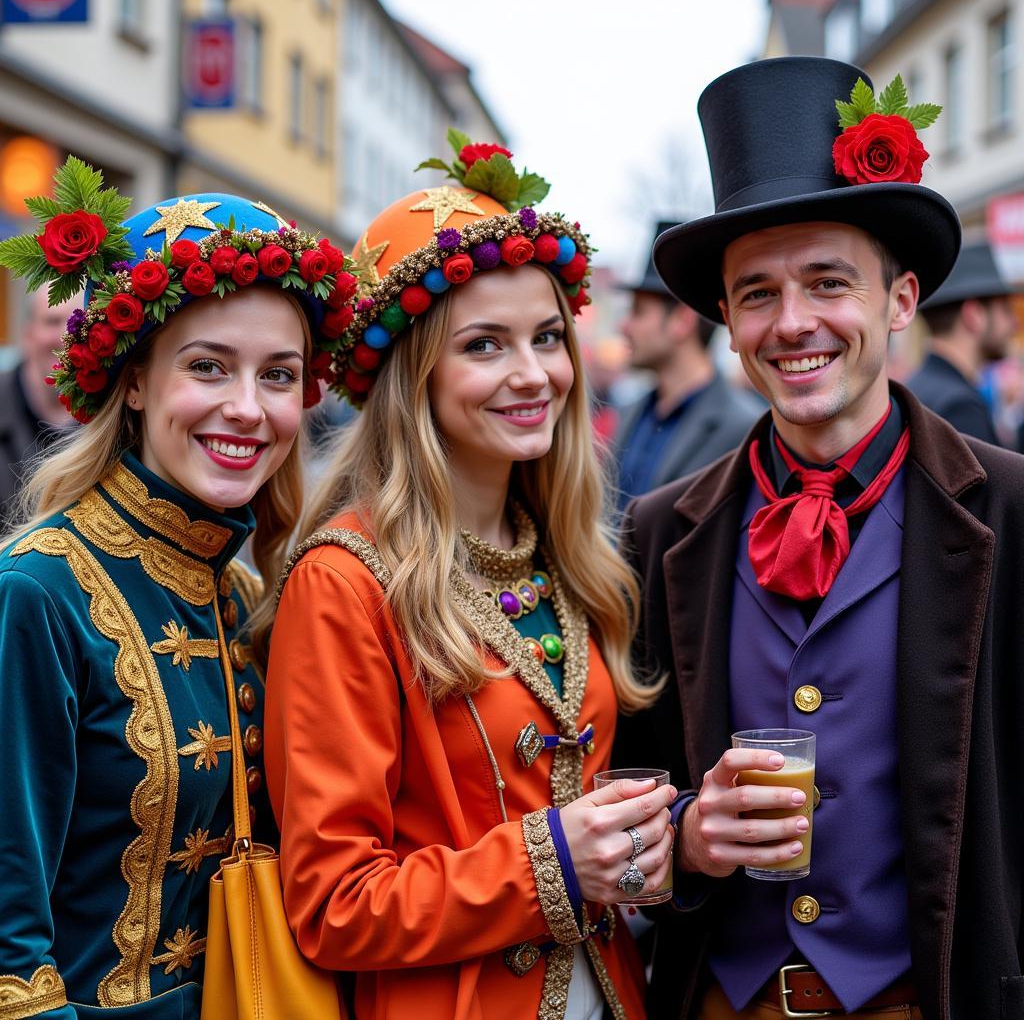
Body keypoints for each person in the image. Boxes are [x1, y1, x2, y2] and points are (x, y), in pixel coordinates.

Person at [614, 57, 1024, 1020]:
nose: (792, 323)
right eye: (755, 293)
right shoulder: (661, 528)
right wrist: (683, 837)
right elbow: (625, 800)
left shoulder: (1010, 509)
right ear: (725, 323)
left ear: (901, 298)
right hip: (721, 1000)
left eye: (828, 282)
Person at [264, 134, 676, 1020]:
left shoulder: (570, 552)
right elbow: (333, 905)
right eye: (486, 345)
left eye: (546, 339)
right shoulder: (344, 580)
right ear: (418, 377)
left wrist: (669, 839)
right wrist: (554, 861)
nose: (534, 375)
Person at [0, 159, 353, 1018]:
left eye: (277, 375)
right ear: (132, 379)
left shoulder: (242, 592)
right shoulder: (36, 592)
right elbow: (9, 945)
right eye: (207, 366)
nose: (247, 407)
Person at [613, 221, 760, 513]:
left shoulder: (744, 427)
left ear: (682, 321)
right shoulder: (630, 411)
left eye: (638, 312)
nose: (624, 326)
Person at [906, 240, 1017, 445]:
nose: (1014, 323)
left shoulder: (914, 389)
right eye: (1005, 310)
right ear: (974, 315)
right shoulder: (960, 407)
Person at [0, 284, 83, 519]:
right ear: (28, 335)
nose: (67, 335)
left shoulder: (110, 417)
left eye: (77, 322)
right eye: (53, 321)